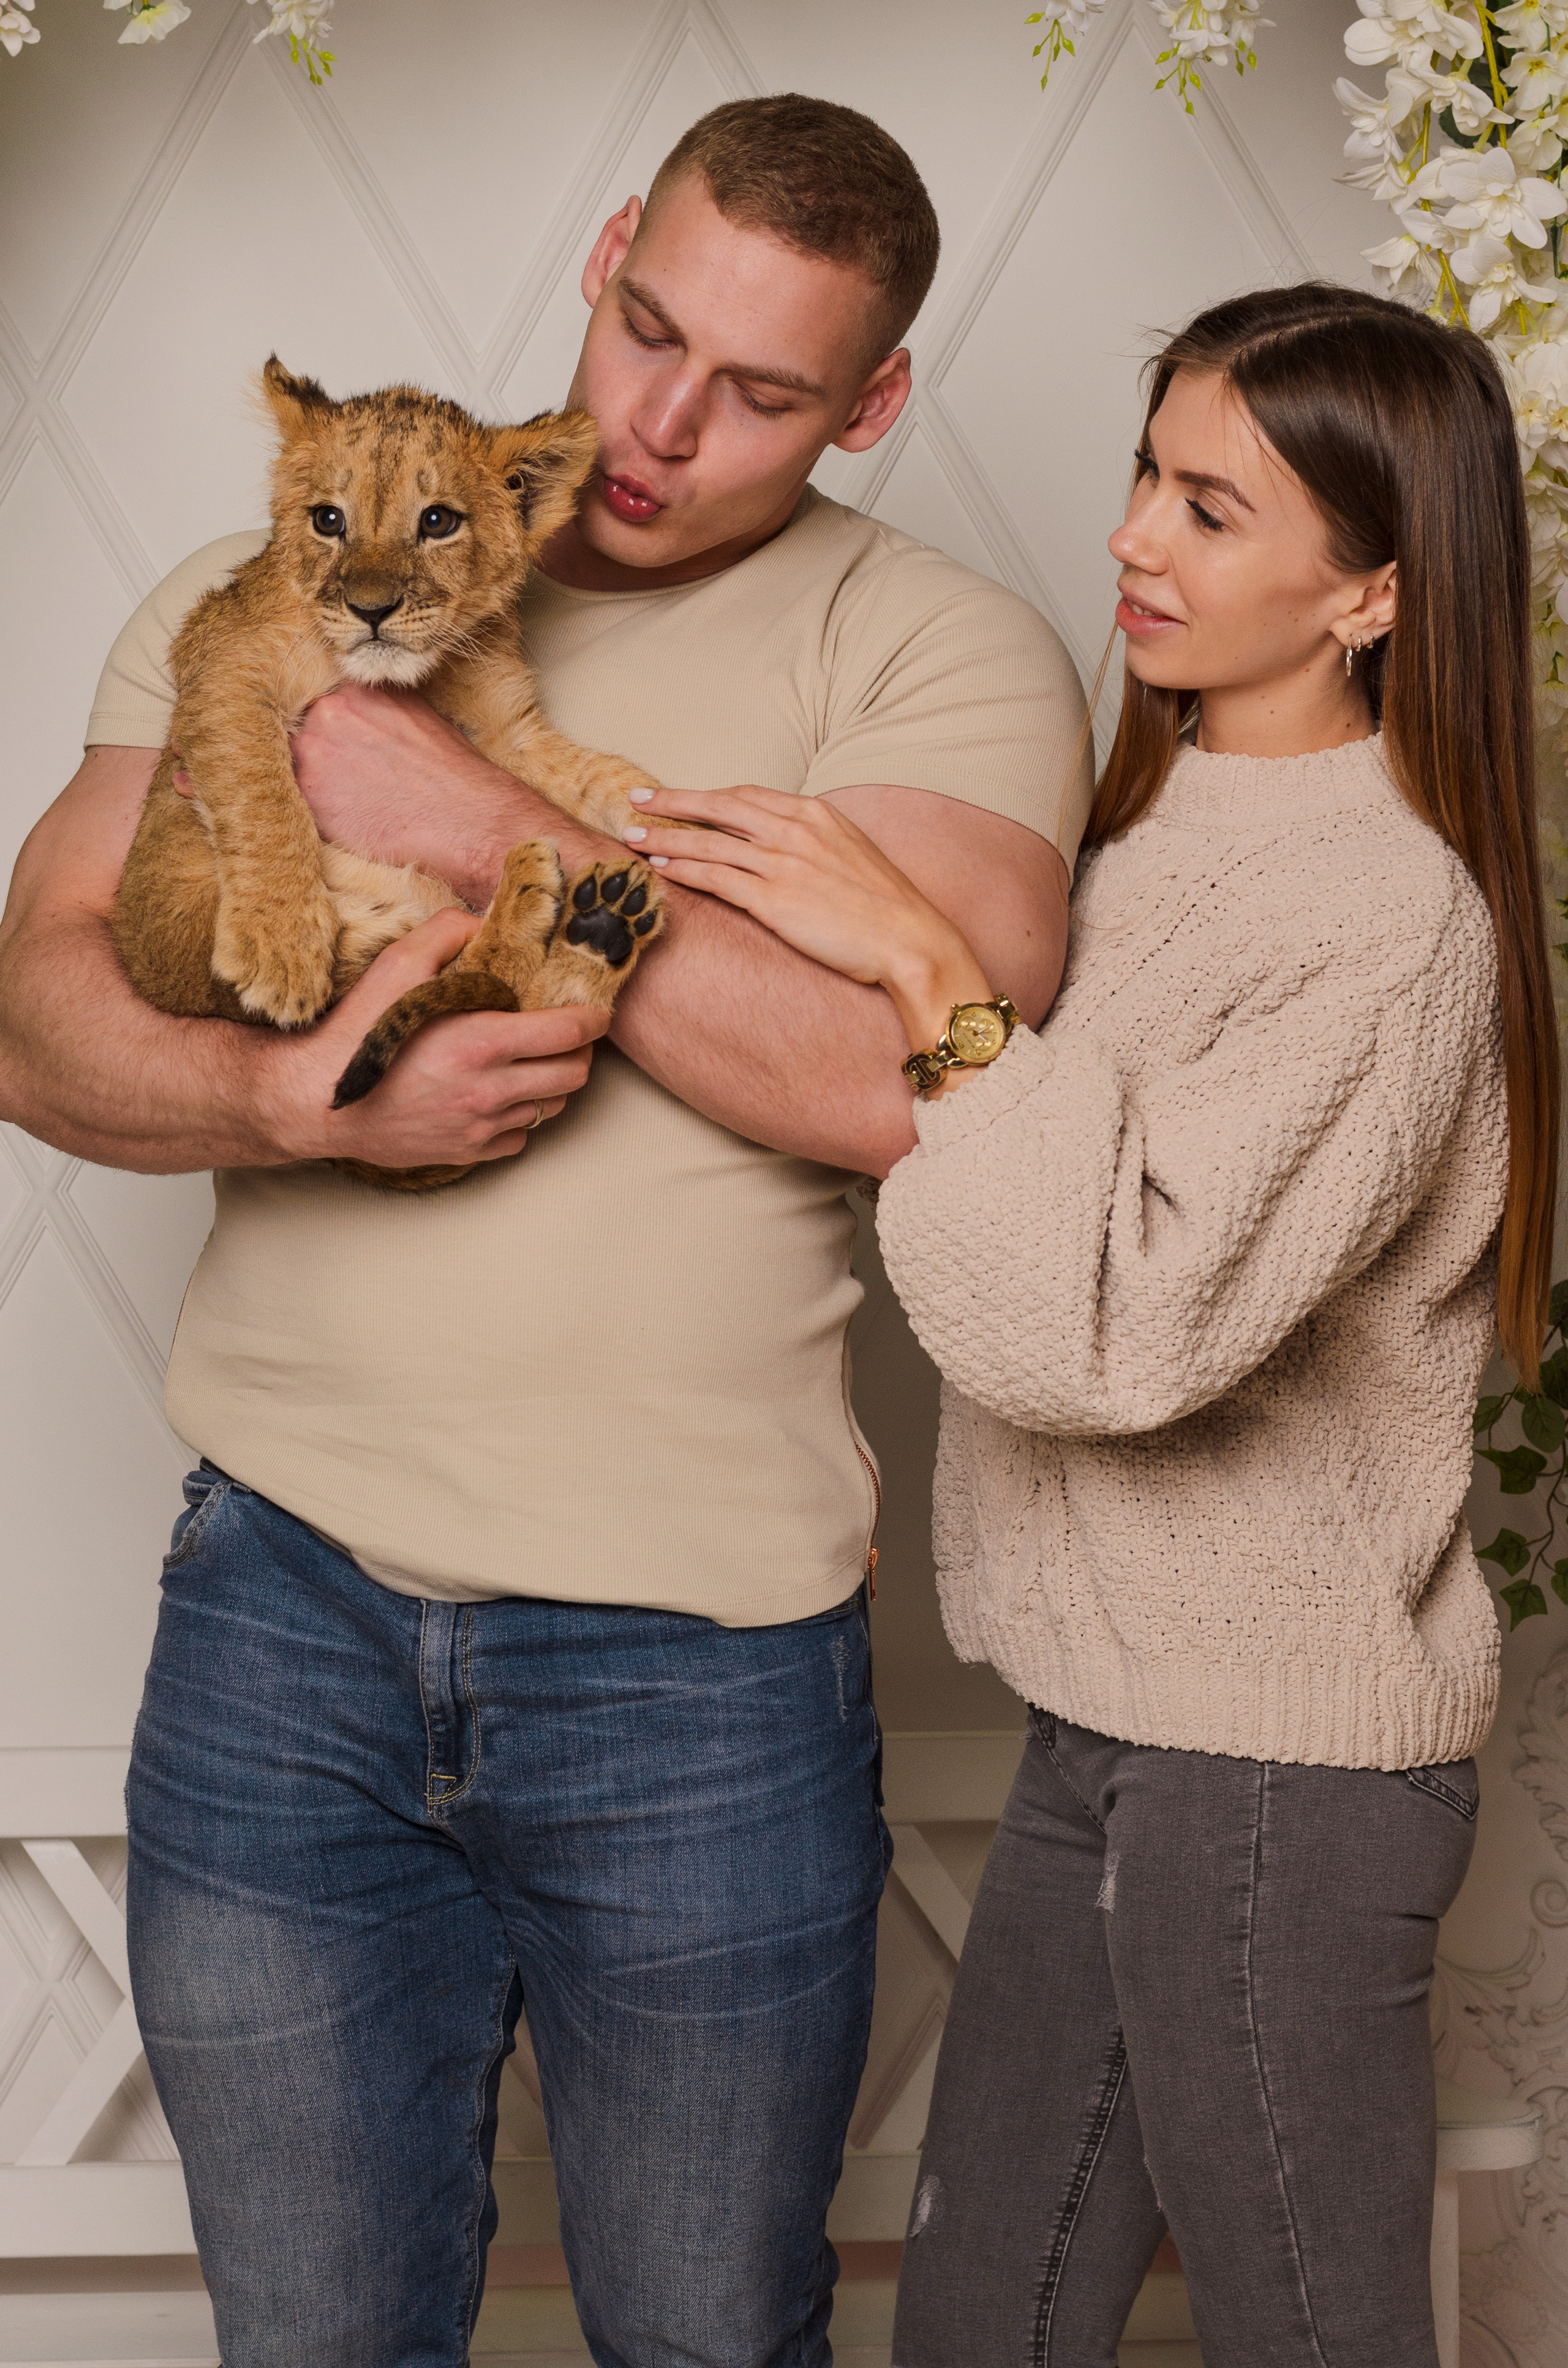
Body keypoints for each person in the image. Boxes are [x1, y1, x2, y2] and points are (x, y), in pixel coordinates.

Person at [0, 96, 1091, 2368]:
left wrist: (454, 802)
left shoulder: (945, 650)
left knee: (706, 2345)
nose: (660, 426)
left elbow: (911, 1087)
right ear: (605, 252)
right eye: (645, 328)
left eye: (764, 392)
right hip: (274, 1623)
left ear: (876, 402)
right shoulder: (270, 587)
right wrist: (291, 1106)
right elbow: (39, 1011)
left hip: (697, 1666)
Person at [622, 281, 1558, 2368]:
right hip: (1105, 1721)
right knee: (980, 2326)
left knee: (1310, 2338)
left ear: (1375, 590)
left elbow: (1105, 1339)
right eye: (1148, 471)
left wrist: (921, 969)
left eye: (1215, 509)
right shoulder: (1132, 838)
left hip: (1276, 1772)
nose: (1136, 535)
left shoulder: (1393, 916)